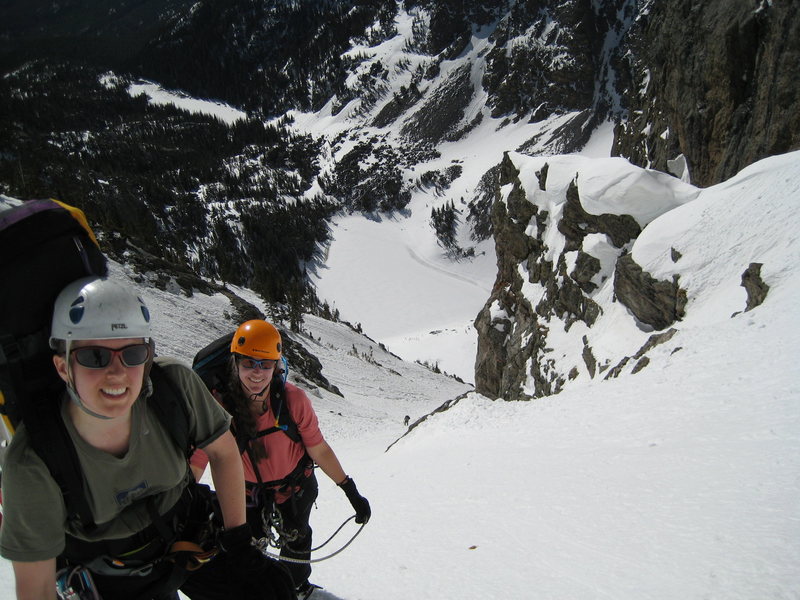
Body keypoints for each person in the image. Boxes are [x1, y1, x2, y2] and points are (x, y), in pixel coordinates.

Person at [0, 277, 294, 600]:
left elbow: (223, 453)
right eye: (94, 357)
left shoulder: (173, 387)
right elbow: (36, 590)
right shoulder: (34, 460)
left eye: (133, 353)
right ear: (62, 366)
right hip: (106, 580)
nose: (117, 372)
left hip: (184, 539)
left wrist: (238, 540)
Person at [190, 319, 371, 597]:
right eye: (248, 363)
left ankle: (296, 587)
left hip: (295, 485)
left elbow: (318, 448)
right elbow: (200, 457)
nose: (257, 373)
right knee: (246, 551)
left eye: (265, 364)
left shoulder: (293, 401)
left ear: (276, 366)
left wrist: (349, 489)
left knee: (297, 540)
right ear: (234, 363)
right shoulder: (219, 408)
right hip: (245, 492)